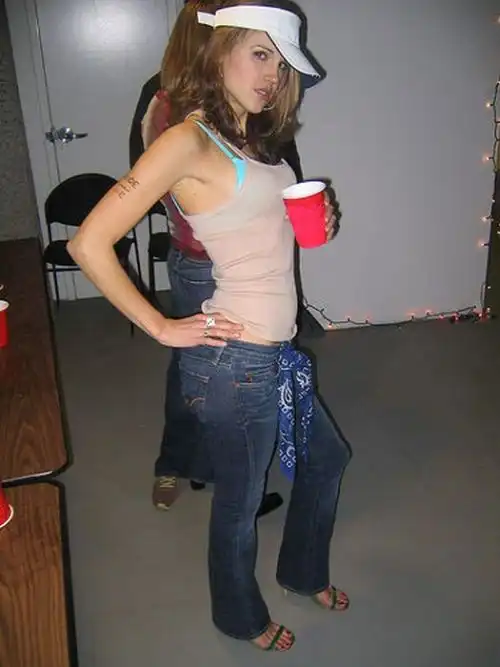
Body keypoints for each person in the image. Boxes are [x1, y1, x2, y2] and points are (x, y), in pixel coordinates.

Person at [69, 0, 351, 651]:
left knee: (327, 459)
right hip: (237, 362)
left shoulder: (255, 138)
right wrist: (162, 325)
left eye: (281, 64)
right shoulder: (187, 140)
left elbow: (258, 233)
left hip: (277, 351)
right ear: (219, 50)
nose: (273, 75)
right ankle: (239, 616)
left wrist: (317, 224)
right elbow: (89, 242)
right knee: (239, 501)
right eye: (260, 54)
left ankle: (301, 572)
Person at [130, 0, 310, 513]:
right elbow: (144, 176)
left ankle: (221, 471)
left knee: (222, 372)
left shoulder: (253, 102)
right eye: (259, 52)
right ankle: (178, 466)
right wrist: (207, 210)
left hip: (251, 257)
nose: (272, 72)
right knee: (196, 363)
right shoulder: (168, 101)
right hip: (199, 254)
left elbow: (284, 167)